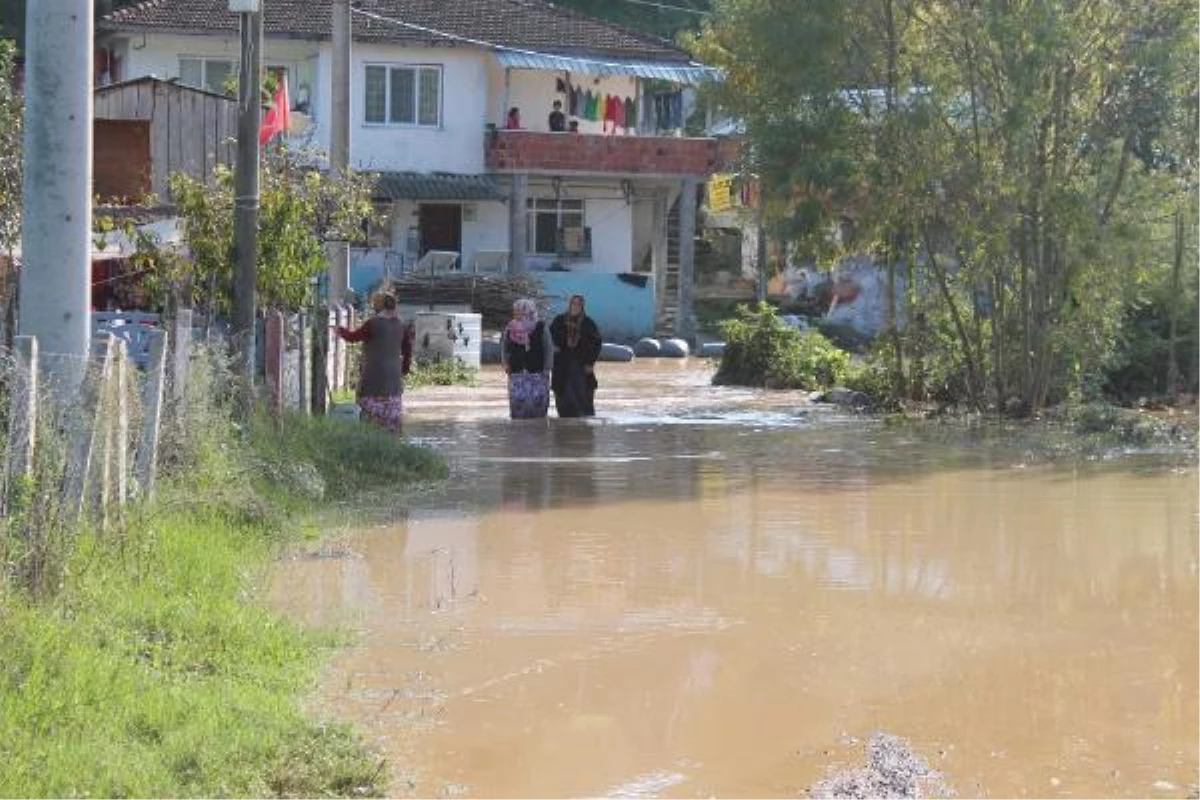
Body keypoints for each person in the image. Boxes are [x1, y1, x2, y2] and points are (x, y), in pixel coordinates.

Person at [336, 292, 414, 433]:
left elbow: (353, 337)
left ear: (376, 307)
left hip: (373, 375)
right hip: (394, 377)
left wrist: (339, 330)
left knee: (370, 410)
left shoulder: (372, 324)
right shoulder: (401, 325)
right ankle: (392, 441)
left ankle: (372, 439)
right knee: (392, 414)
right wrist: (404, 369)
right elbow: (408, 351)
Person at [549, 294, 602, 418]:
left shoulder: (588, 323)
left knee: (582, 398)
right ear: (569, 304)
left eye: (578, 304)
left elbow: (596, 344)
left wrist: (590, 363)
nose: (575, 306)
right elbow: (549, 338)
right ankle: (565, 431)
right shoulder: (559, 321)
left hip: (581, 366)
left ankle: (582, 432)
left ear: (582, 306)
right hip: (562, 366)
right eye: (573, 303)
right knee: (564, 397)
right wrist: (553, 347)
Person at [501, 298, 554, 419]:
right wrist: (505, 364)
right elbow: (505, 347)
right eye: (515, 311)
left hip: (537, 373)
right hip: (517, 372)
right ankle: (518, 434)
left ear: (527, 311)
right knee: (518, 406)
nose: (516, 314)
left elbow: (548, 348)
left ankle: (538, 432)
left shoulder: (540, 327)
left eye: (519, 311)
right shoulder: (510, 327)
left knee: (537, 406)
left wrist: (547, 368)